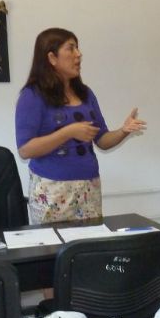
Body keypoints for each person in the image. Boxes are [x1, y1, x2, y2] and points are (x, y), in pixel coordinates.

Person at [16, 27, 145, 225]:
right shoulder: (32, 95)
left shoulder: (85, 93)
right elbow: (25, 150)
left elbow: (102, 140)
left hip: (88, 186)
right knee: (55, 251)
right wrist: (68, 132)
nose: (79, 54)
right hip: (52, 189)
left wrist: (123, 131)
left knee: (88, 251)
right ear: (52, 58)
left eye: (78, 48)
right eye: (71, 48)